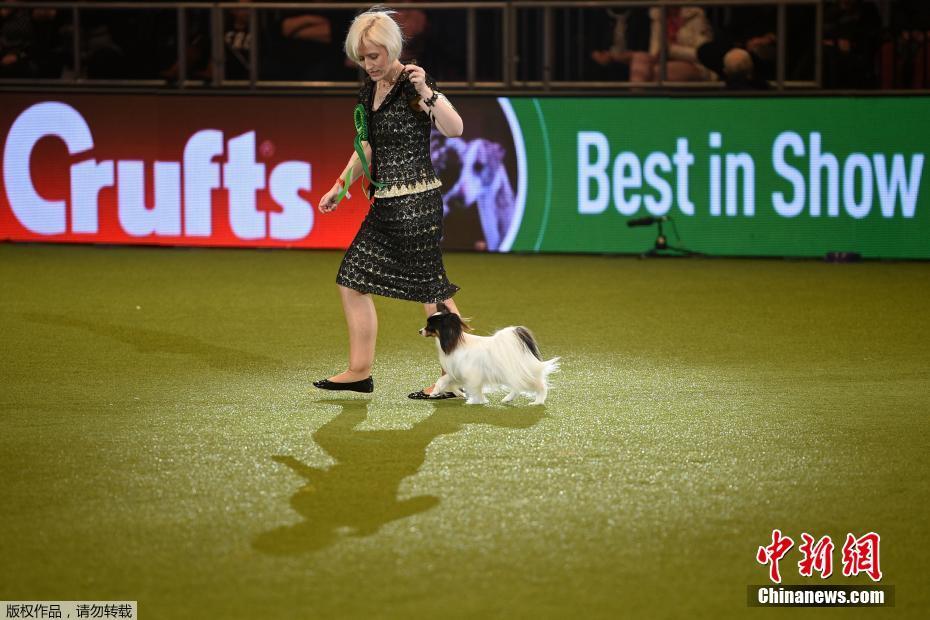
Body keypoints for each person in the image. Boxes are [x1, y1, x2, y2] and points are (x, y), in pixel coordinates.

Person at [314, 7, 464, 399]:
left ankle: (454, 377)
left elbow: (454, 128)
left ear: (392, 48)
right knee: (353, 279)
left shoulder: (414, 83)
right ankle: (359, 372)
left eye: (374, 56)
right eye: (362, 58)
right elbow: (367, 145)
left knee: (431, 292)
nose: (369, 65)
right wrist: (339, 187)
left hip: (416, 205)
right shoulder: (369, 90)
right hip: (385, 205)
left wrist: (427, 91)